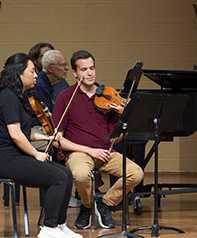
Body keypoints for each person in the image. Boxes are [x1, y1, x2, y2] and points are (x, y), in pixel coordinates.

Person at [51, 50, 144, 229]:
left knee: (136, 173)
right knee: (80, 174)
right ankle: (86, 206)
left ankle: (104, 204)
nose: (89, 73)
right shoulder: (66, 97)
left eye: (92, 68)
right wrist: (89, 150)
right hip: (79, 152)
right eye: (84, 69)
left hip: (106, 151)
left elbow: (115, 138)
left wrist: (119, 134)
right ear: (75, 73)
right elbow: (57, 139)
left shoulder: (109, 96)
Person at [0, 53, 81, 238]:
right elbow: (15, 135)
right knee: (58, 178)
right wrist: (36, 154)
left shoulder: (17, 96)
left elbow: (24, 132)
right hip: (6, 159)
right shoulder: (8, 97)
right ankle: (48, 229)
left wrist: (47, 138)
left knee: (66, 174)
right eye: (31, 71)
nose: (36, 75)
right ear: (18, 73)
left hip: (15, 155)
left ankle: (60, 225)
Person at [29, 50, 70, 151]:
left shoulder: (48, 83)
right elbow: (46, 117)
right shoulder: (39, 85)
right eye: (63, 65)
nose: (67, 68)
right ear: (50, 68)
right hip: (35, 129)